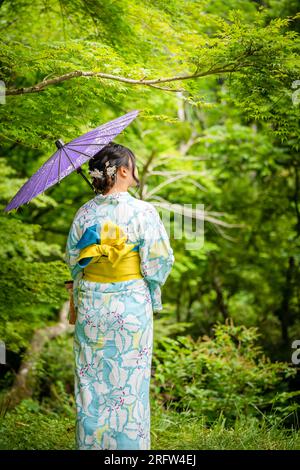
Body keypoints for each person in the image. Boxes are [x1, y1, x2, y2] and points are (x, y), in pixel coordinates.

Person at [64, 142, 175, 450]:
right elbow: (159, 261)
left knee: (91, 382)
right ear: (124, 171)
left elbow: (74, 261)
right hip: (130, 308)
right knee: (130, 383)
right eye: (133, 166)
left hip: (92, 307)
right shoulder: (143, 211)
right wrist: (150, 288)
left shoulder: (84, 213)